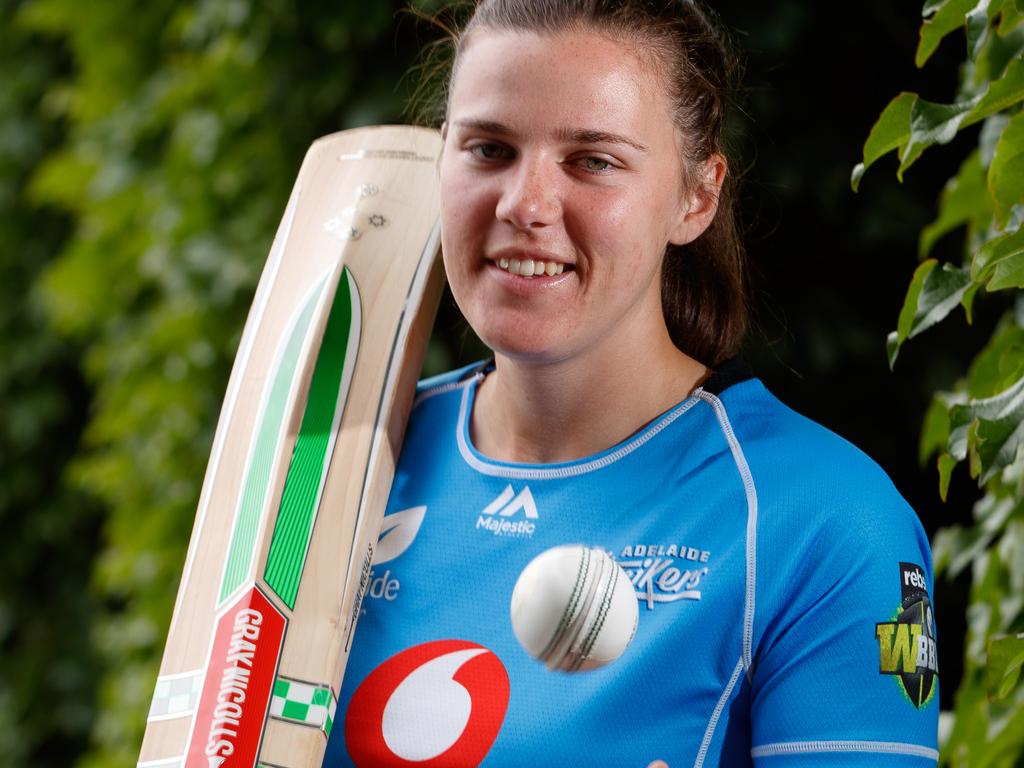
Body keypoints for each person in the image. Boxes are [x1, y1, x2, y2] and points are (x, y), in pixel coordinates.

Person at [323, 1, 940, 765]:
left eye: (594, 161)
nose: (526, 205)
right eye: (488, 149)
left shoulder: (827, 522)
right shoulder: (342, 462)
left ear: (697, 197)